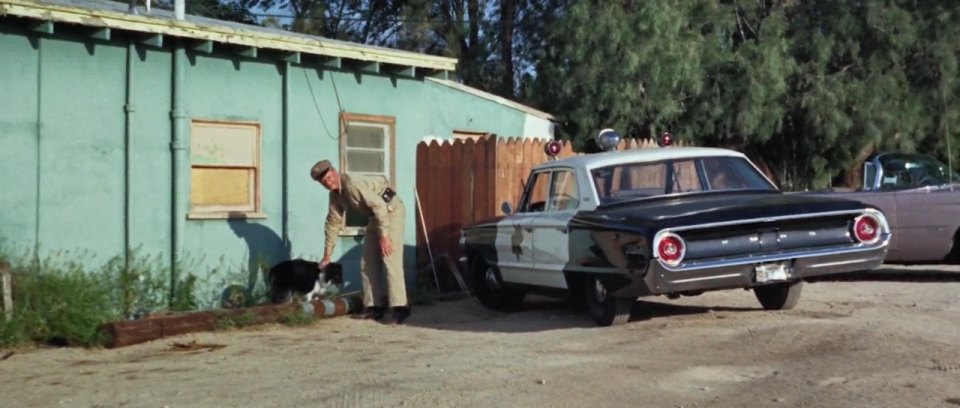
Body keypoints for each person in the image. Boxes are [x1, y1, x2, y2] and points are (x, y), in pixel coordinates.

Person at [310, 159, 411, 324]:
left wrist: (384, 236)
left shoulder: (352, 185)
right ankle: (374, 307)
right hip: (375, 216)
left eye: (329, 178)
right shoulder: (335, 196)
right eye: (324, 182)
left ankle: (400, 307)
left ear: (334, 172)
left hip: (390, 210)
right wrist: (327, 254)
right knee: (368, 261)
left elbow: (379, 205)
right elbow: (333, 223)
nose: (329, 183)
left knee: (389, 257)